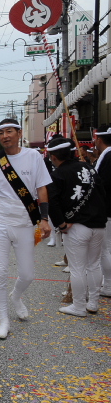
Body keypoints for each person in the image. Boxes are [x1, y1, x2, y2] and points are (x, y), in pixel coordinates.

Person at [0, 118, 52, 339]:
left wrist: (44, 219)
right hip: (0, 219)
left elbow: (42, 188)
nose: (4, 136)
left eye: (9, 131)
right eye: (1, 133)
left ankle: (16, 296)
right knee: (0, 272)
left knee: (27, 274)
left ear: (19, 133)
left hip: (26, 221)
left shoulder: (34, 156)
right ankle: (3, 320)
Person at [46, 137, 107, 316]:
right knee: (94, 265)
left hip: (76, 227)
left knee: (77, 268)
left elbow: (52, 202)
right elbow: (103, 193)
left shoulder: (58, 174)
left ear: (53, 156)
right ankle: (93, 303)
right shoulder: (90, 168)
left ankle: (79, 306)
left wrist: (61, 224)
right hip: (99, 224)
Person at [93, 127, 111, 297]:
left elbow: (102, 184)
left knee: (105, 249)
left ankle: (108, 285)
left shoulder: (108, 157)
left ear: (99, 139)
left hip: (107, 208)